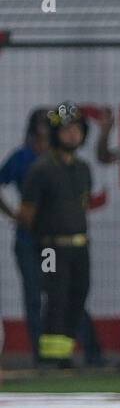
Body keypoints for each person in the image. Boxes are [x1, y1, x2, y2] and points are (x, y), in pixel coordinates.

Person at [16, 105, 94, 367]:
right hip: (50, 247)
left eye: (77, 130)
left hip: (78, 245)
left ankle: (65, 353)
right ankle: (50, 356)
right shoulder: (41, 169)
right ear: (54, 133)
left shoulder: (83, 169)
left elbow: (83, 205)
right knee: (55, 296)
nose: (72, 135)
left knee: (77, 294)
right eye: (66, 130)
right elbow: (27, 214)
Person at [0, 109, 52, 365]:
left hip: (52, 243)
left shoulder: (57, 156)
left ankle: (65, 350)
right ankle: (39, 353)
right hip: (29, 240)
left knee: (56, 290)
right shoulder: (22, 158)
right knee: (33, 294)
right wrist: (12, 213)